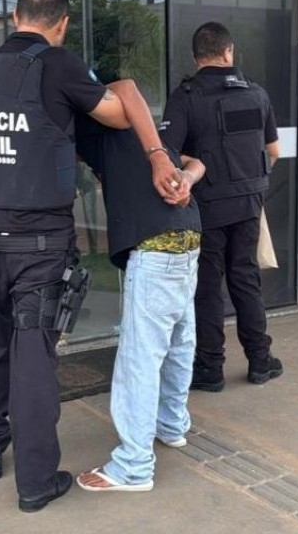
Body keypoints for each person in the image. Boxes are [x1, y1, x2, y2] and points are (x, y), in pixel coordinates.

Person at [0, 0, 180, 513]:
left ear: (15, 16)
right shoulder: (58, 65)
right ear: (61, 23)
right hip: (39, 246)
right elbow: (119, 114)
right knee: (33, 357)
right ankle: (35, 480)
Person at [73, 80, 204, 492]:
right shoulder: (147, 131)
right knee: (180, 340)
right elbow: (197, 161)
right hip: (187, 239)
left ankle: (133, 466)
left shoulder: (105, 122)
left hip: (154, 246)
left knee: (139, 358)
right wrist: (184, 178)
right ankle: (172, 424)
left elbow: (126, 86)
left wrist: (162, 164)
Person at [160, 22, 282, 392]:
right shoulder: (256, 94)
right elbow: (273, 152)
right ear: (229, 52)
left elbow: (165, 153)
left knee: (208, 286)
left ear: (196, 57)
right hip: (249, 202)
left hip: (207, 205)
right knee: (246, 278)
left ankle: (210, 368)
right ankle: (260, 360)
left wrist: (194, 167)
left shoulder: (185, 97)